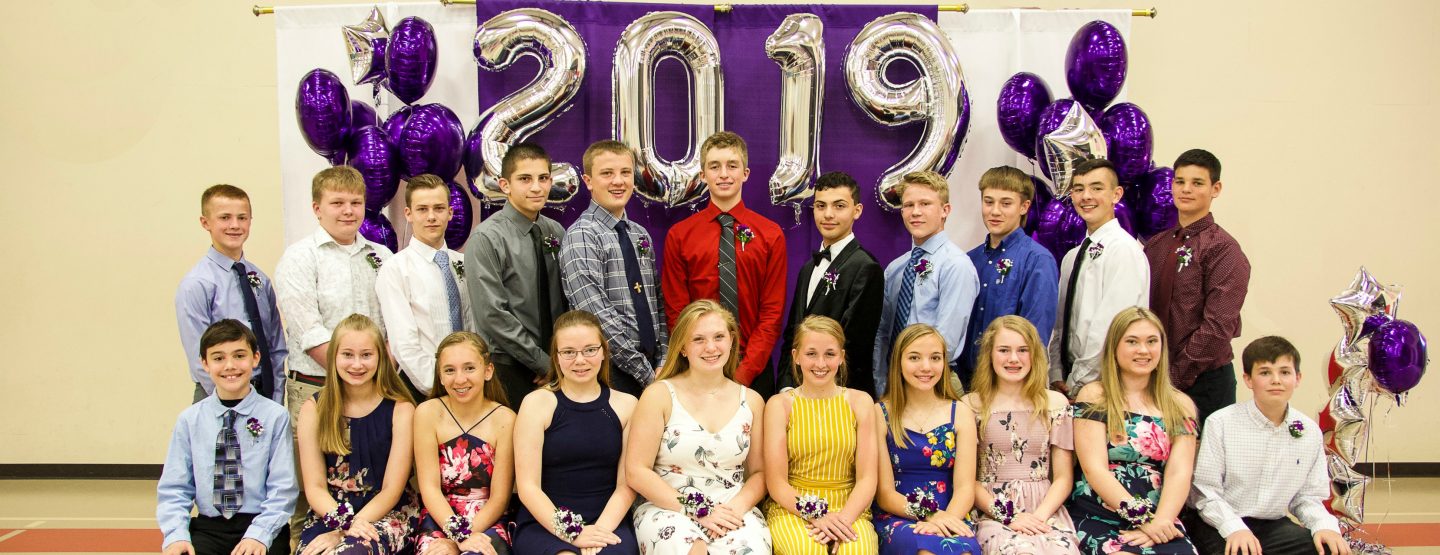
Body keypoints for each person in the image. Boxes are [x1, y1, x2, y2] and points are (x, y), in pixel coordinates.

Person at [275, 166, 393, 543]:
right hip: (315, 388)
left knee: (372, 482)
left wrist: (375, 380)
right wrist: (355, 372)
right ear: (317, 208)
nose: (348, 211)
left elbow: (392, 326)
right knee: (309, 491)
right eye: (337, 203)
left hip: (373, 392)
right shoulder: (299, 258)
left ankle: (362, 542)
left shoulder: (381, 256)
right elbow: (308, 331)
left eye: (355, 203)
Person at [626, 300, 771, 554]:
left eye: (719, 337)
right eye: (698, 339)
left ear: (731, 340)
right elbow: (637, 471)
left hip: (731, 507)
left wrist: (733, 510)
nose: (711, 347)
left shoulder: (752, 401)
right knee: (693, 548)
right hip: (669, 507)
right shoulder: (659, 395)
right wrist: (699, 510)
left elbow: (759, 473)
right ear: (682, 347)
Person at [1185, 336, 1351, 555]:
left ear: (1298, 378)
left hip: (1271, 525)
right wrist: (1235, 529)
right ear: (1248, 379)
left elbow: (1307, 497)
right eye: (1265, 373)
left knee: (1326, 548)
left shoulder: (1309, 430)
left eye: (1285, 372)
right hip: (1218, 521)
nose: (1276, 380)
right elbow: (1205, 491)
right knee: (1241, 551)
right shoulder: (1221, 422)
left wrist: (1324, 526)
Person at [661, 132, 787, 396]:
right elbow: (677, 311)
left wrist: (744, 373)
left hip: (753, 367)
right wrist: (700, 358)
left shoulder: (770, 234)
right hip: (699, 363)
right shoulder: (680, 235)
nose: (724, 174)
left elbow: (772, 312)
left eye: (732, 165)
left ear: (745, 173)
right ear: (703, 175)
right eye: (714, 166)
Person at [158, 320, 296, 555]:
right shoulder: (189, 420)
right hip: (209, 528)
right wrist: (176, 535)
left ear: (255, 358)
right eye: (218, 358)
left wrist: (259, 535)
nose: (230, 366)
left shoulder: (275, 416)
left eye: (239, 356)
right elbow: (175, 488)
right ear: (204, 363)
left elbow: (282, 488)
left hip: (261, 523)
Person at [1069, 307, 1198, 555]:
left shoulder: (1180, 404)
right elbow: (1094, 468)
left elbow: (1179, 472)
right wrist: (1142, 519)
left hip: (1160, 517)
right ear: (1114, 348)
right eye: (1132, 342)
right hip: (1099, 513)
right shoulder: (1095, 395)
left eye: (1152, 341)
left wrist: (1160, 522)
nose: (1143, 350)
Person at [513, 311, 641, 555]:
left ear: (603, 351)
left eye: (590, 350)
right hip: (545, 522)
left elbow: (626, 485)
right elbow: (528, 486)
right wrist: (572, 533)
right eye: (569, 352)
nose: (580, 360)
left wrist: (598, 533)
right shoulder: (536, 403)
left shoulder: (627, 405)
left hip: (608, 520)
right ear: (556, 357)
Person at [1143, 149, 1250, 428]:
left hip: (1204, 381)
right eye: (1180, 181)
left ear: (1216, 189)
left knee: (1203, 455)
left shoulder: (1223, 249)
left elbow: (1218, 326)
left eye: (1197, 183)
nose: (1186, 189)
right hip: (1154, 377)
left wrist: (1175, 377)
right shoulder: (1156, 245)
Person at [294, 315, 417, 555]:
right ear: (334, 357)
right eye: (348, 355)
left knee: (351, 552)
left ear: (381, 357)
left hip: (385, 512)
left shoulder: (401, 410)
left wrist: (347, 530)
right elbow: (315, 486)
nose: (357, 364)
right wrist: (342, 524)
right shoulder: (314, 408)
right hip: (329, 510)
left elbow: (392, 489)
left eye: (366, 355)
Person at [962, 316, 1079, 554]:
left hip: (1045, 508)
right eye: (1004, 350)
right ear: (990, 354)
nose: (1014, 359)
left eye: (1023, 350)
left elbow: (1063, 477)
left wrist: (1038, 518)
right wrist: (1009, 516)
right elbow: (966, 479)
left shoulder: (1055, 403)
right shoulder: (971, 405)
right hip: (991, 510)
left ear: (1034, 354)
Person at [763, 316, 879, 554]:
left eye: (830, 354)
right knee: (808, 551)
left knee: (856, 551)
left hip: (849, 508)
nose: (821, 363)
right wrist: (818, 515)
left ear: (841, 356)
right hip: (793, 507)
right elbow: (776, 483)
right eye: (811, 354)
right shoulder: (779, 405)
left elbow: (867, 478)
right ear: (796, 356)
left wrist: (842, 521)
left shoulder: (861, 402)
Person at [561, 141, 668, 396]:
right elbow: (597, 317)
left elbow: (657, 302)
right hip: (611, 369)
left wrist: (664, 359)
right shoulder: (582, 235)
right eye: (607, 173)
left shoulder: (639, 234)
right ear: (588, 181)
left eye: (625, 172)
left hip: (653, 367)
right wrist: (646, 373)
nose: (618, 181)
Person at [467, 143, 569, 407]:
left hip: (558, 365)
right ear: (505, 185)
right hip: (509, 365)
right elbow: (492, 314)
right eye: (525, 179)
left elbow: (566, 300)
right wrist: (541, 362)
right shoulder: (487, 237)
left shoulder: (555, 231)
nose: (536, 187)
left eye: (543, 178)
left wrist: (560, 359)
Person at [872, 324, 981, 555]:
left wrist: (946, 520)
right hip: (899, 514)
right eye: (914, 357)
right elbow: (885, 494)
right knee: (926, 551)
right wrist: (930, 516)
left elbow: (965, 488)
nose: (926, 367)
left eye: (935, 358)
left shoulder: (960, 412)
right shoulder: (881, 413)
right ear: (898, 362)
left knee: (962, 552)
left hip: (951, 512)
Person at [176, 185, 289, 403]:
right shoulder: (197, 283)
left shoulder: (260, 279)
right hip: (218, 395)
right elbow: (199, 356)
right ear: (205, 223)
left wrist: (274, 400)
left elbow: (275, 346)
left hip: (263, 394)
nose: (235, 225)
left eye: (242, 217)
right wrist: (230, 402)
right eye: (225, 217)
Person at [778, 172, 885, 397]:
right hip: (798, 393)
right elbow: (792, 335)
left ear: (857, 210)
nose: (828, 214)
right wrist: (787, 387)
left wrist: (818, 394)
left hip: (841, 395)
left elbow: (854, 346)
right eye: (820, 206)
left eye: (839, 206)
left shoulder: (866, 267)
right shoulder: (808, 268)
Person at [1049, 159, 1149, 397]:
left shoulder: (1124, 251)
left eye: (1096, 188)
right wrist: (1056, 372)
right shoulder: (1072, 257)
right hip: (1071, 381)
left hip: (1107, 382)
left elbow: (1110, 325)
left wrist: (1079, 381)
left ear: (1116, 195)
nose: (1086, 196)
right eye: (1079, 189)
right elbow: (1060, 323)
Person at [874, 171, 980, 394]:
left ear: (945, 210)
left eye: (925, 204)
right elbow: (883, 333)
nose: (916, 212)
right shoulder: (895, 269)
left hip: (935, 382)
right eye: (908, 205)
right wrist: (881, 381)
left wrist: (917, 373)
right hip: (894, 383)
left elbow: (945, 340)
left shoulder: (955, 265)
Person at [413, 331, 516, 555]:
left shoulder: (505, 419)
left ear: (488, 371)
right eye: (450, 370)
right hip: (440, 516)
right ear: (440, 376)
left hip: (488, 519)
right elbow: (429, 488)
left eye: (469, 368)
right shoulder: (427, 413)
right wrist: (456, 535)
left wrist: (461, 540)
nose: (460, 379)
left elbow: (499, 498)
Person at [375, 174, 474, 401]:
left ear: (450, 212)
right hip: (424, 388)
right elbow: (404, 344)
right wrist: (440, 386)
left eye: (439, 208)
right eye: (422, 209)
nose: (431, 217)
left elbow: (473, 325)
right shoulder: (396, 269)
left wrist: (471, 380)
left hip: (470, 386)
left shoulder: (463, 263)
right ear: (408, 214)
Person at [961, 167, 1058, 389]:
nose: (995, 211)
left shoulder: (1037, 260)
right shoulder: (969, 260)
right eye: (988, 202)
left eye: (1006, 203)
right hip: (967, 381)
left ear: (1024, 207)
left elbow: (1035, 334)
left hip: (1010, 383)